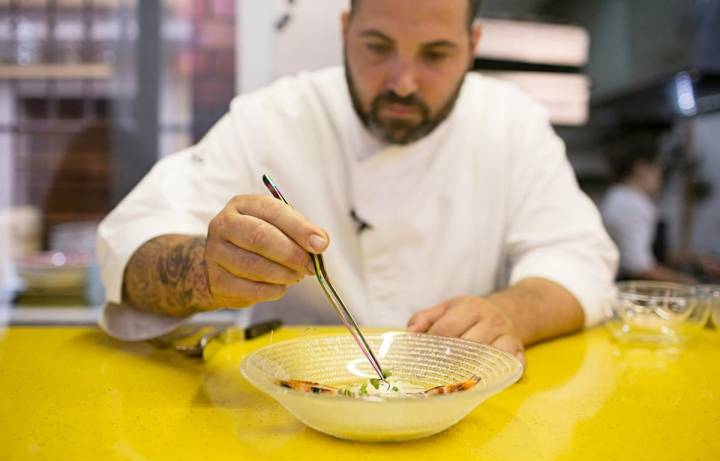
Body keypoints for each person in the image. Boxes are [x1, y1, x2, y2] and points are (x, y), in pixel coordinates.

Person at [97, 0, 618, 365]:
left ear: (472, 43)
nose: (403, 82)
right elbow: (131, 244)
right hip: (294, 418)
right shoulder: (272, 118)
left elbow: (577, 259)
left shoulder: (512, 123)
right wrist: (205, 273)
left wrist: (507, 313)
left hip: (470, 414)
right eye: (377, 46)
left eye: (435, 54)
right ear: (346, 30)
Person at [601, 131, 696, 284]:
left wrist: (695, 258)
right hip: (632, 287)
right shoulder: (628, 204)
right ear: (641, 168)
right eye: (657, 168)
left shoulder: (627, 197)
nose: (660, 175)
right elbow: (638, 266)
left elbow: (655, 250)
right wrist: (690, 283)